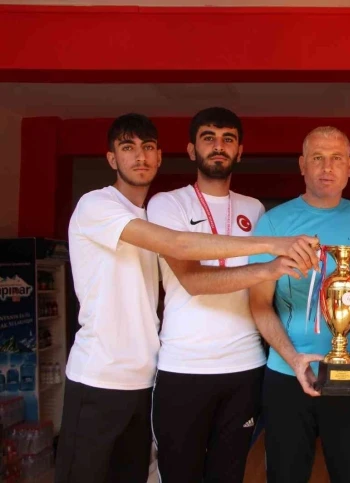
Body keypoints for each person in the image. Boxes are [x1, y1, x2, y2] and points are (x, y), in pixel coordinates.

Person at [57, 113, 317, 483]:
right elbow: (182, 253)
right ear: (112, 158)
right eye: (128, 148)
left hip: (149, 373)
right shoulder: (103, 205)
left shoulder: (147, 213)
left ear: (160, 156)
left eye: (148, 147)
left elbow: (256, 295)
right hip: (103, 372)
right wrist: (274, 251)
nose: (140, 156)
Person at [147, 107, 300, 482]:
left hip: (244, 368)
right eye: (209, 138)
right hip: (184, 367)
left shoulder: (254, 208)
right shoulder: (167, 204)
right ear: (191, 150)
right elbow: (194, 281)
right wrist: (268, 265)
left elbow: (264, 292)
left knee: (229, 475)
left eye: (228, 139)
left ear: (239, 151)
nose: (219, 146)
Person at [248, 126, 350, 483]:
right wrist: (293, 358)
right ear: (302, 165)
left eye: (337, 158)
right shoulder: (274, 222)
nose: (327, 167)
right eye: (317, 158)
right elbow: (259, 303)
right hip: (286, 375)